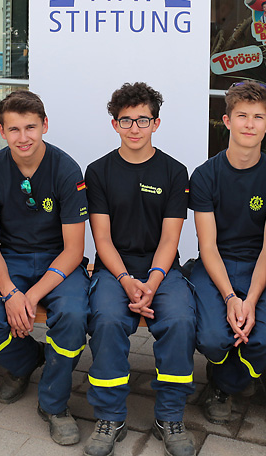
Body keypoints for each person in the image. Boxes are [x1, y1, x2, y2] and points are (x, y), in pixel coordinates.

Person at [0, 90, 89, 446]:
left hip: (59, 262)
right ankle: (26, 362)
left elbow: (74, 249)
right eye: (14, 129)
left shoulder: (66, 170)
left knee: (75, 315)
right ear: (1, 132)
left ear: (45, 125)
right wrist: (9, 292)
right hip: (12, 258)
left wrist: (27, 298)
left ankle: (54, 404)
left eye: (31, 127)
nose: (23, 137)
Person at [83, 82, 196, 456]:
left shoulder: (175, 172)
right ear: (114, 124)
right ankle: (111, 416)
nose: (134, 128)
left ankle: (169, 416)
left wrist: (151, 281)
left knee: (180, 321)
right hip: (114, 270)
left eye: (142, 120)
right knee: (108, 320)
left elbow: (170, 241)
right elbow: (102, 240)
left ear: (156, 123)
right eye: (126, 120)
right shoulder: (98, 171)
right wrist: (126, 280)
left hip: (161, 270)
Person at [188, 81, 266, 426]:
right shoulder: (204, 176)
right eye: (242, 116)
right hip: (215, 265)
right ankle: (225, 377)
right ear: (227, 121)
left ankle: (226, 384)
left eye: (257, 117)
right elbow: (208, 246)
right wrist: (231, 297)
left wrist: (251, 299)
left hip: (260, 265)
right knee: (213, 338)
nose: (249, 124)